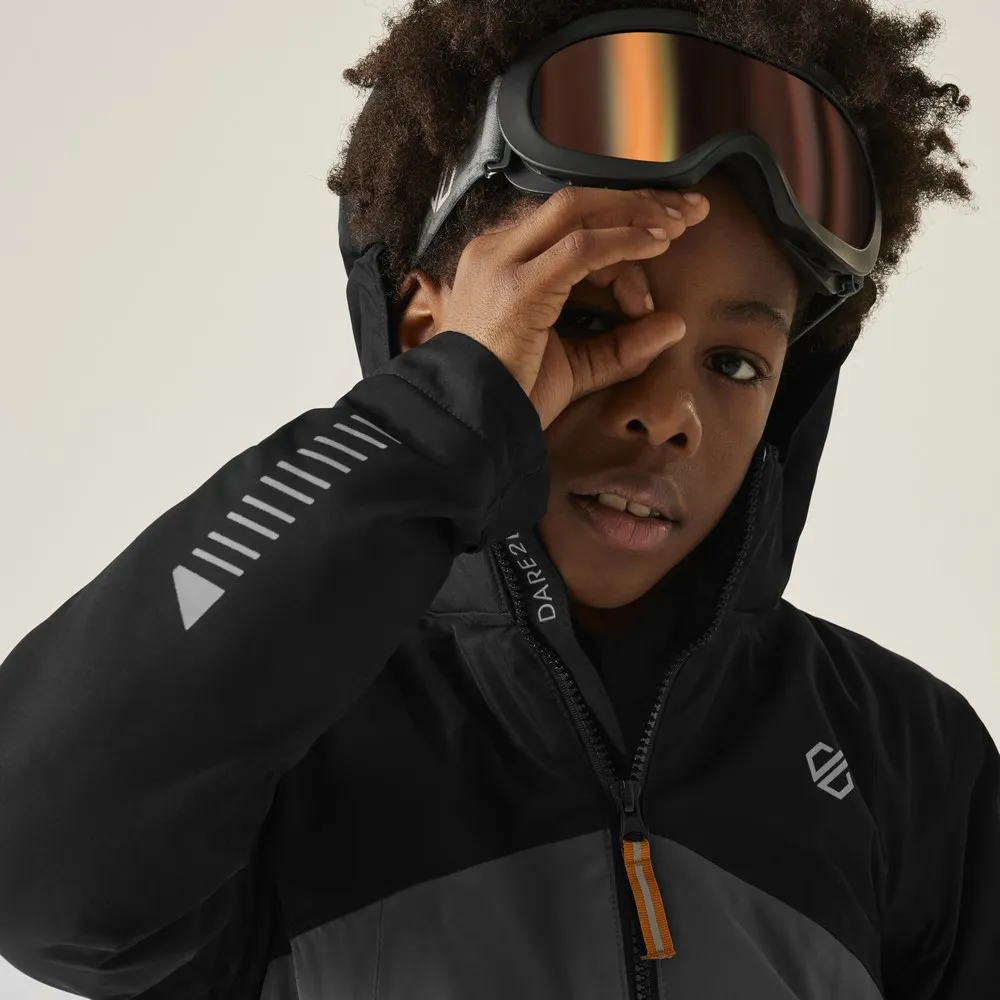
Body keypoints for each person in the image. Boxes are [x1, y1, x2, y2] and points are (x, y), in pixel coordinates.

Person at [0, 0, 995, 998]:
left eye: (735, 362)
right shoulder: (279, 728)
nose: (670, 416)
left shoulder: (905, 751)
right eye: (590, 318)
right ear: (432, 337)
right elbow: (36, 876)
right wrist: (438, 420)